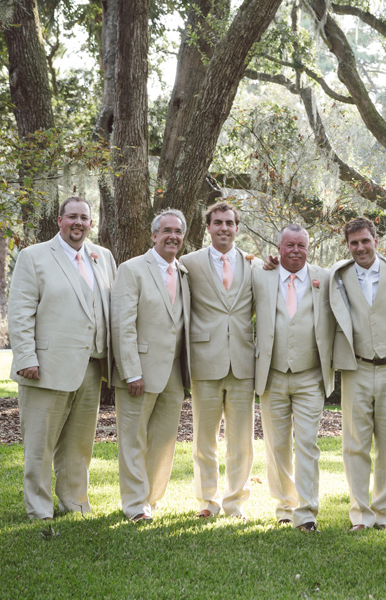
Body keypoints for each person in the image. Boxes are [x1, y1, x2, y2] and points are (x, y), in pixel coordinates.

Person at [7, 196, 116, 520]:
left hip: (91, 367)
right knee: (39, 446)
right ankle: (39, 509)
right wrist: (27, 357)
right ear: (59, 220)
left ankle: (75, 502)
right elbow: (20, 313)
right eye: (72, 217)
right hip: (44, 369)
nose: (78, 223)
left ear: (90, 223)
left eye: (84, 217)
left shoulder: (103, 257)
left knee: (79, 446)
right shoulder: (34, 257)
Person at [328, 217, 386, 532]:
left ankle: (382, 514)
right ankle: (360, 515)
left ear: (376, 240)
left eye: (365, 241)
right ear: (347, 246)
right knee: (355, 444)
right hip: (357, 368)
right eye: (354, 243)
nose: (360, 248)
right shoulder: (338, 275)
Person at [180, 201, 261, 520]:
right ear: (209, 227)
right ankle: (207, 500)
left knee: (242, 441)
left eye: (229, 223)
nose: (224, 228)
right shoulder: (189, 263)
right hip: (205, 360)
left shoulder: (253, 266)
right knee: (204, 438)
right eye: (218, 223)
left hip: (242, 362)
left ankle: (235, 502)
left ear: (237, 228)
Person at [252, 224, 334, 532]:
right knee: (277, 445)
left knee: (309, 443)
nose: (296, 250)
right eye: (290, 245)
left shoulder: (323, 278)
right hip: (271, 376)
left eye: (301, 245)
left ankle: (307, 511)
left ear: (308, 248)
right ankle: (284, 506)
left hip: (310, 376)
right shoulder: (261, 275)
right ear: (279, 247)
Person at [111, 209, 191, 521]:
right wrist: (131, 371)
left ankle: (151, 499)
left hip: (173, 373)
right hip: (139, 370)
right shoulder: (132, 270)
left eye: (178, 232)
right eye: (167, 230)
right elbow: (123, 325)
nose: (173, 236)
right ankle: (133, 506)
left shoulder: (183, 272)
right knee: (133, 440)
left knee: (164, 441)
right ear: (154, 235)